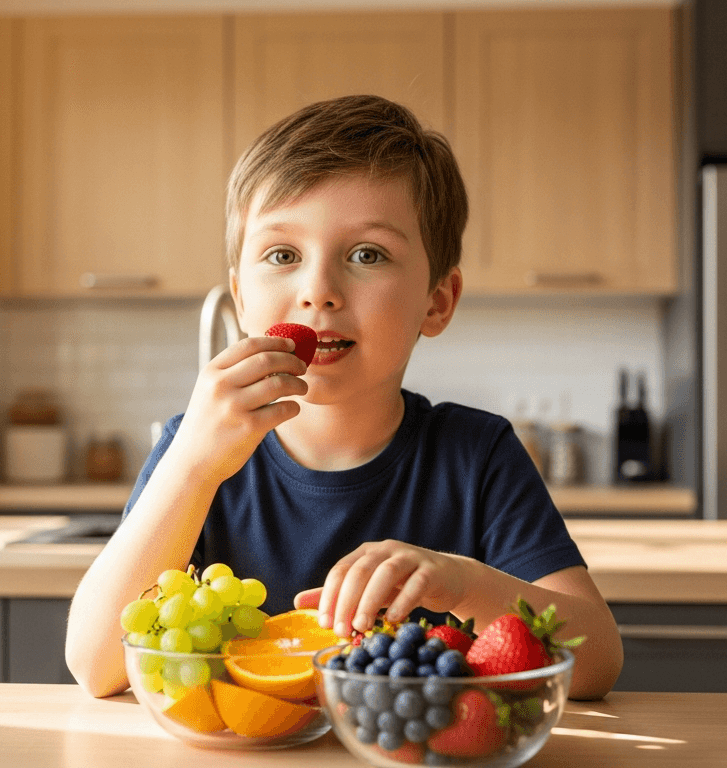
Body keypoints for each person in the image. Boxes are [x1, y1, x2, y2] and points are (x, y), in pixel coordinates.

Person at [66, 94, 623, 700]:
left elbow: (598, 661)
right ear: (241, 296)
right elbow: (96, 666)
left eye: (367, 254)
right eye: (283, 255)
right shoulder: (192, 447)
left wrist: (464, 585)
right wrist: (193, 468)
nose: (318, 291)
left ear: (437, 300)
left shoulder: (477, 453)